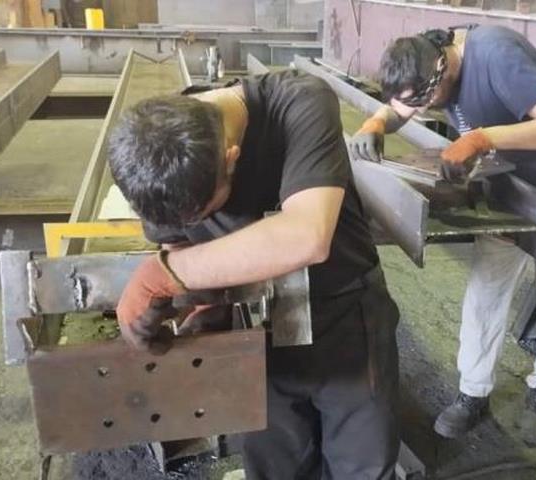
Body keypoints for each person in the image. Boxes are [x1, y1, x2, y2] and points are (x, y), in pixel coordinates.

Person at [108, 70, 401, 479]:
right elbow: (178, 243)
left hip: (345, 315)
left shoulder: (299, 102)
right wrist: (205, 303)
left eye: (205, 213)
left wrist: (164, 275)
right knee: (275, 464)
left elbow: (307, 236)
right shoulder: (158, 155)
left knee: (361, 465)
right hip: (256, 328)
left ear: (232, 158)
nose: (197, 224)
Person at [349, 25, 536, 446]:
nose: (421, 110)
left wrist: (480, 138)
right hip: (512, 185)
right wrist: (377, 122)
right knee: (485, 290)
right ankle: (473, 393)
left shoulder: (495, 54)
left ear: (442, 68)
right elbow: (402, 106)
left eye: (426, 101)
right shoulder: (426, 59)